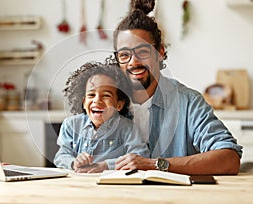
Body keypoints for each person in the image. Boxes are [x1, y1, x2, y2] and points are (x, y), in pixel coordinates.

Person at [110, 0, 242, 175]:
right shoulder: (106, 101)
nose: (133, 62)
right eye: (124, 55)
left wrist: (155, 164)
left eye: (142, 52)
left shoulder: (188, 102)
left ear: (160, 52)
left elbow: (229, 159)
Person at [54, 62, 149, 173]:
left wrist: (106, 165)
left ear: (119, 104)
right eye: (91, 95)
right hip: (79, 182)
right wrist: (73, 162)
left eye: (106, 95)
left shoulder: (127, 128)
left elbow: (140, 156)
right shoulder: (71, 125)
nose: (97, 100)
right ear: (84, 102)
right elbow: (61, 156)